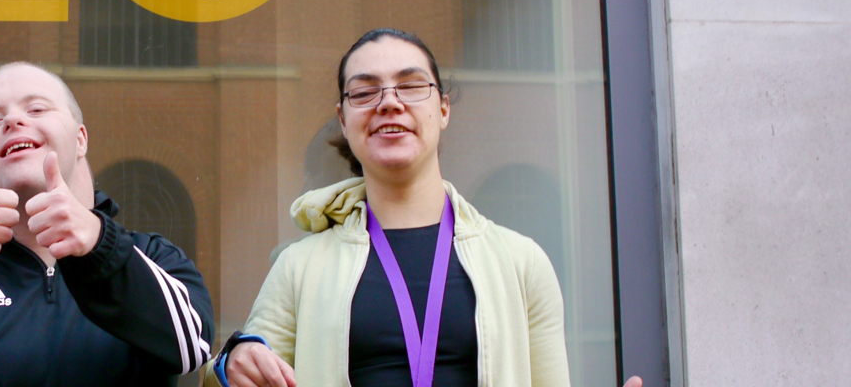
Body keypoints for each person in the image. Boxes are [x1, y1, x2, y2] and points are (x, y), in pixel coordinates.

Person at [216, 29, 644, 387]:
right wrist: (231, 362)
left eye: (411, 85)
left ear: (442, 109)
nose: (388, 101)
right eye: (365, 91)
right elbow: (230, 379)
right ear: (344, 122)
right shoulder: (298, 267)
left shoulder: (520, 262)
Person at [0, 62, 214, 386]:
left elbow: (191, 347)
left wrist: (99, 247)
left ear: (81, 139)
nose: (13, 120)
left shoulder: (153, 256)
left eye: (37, 109)